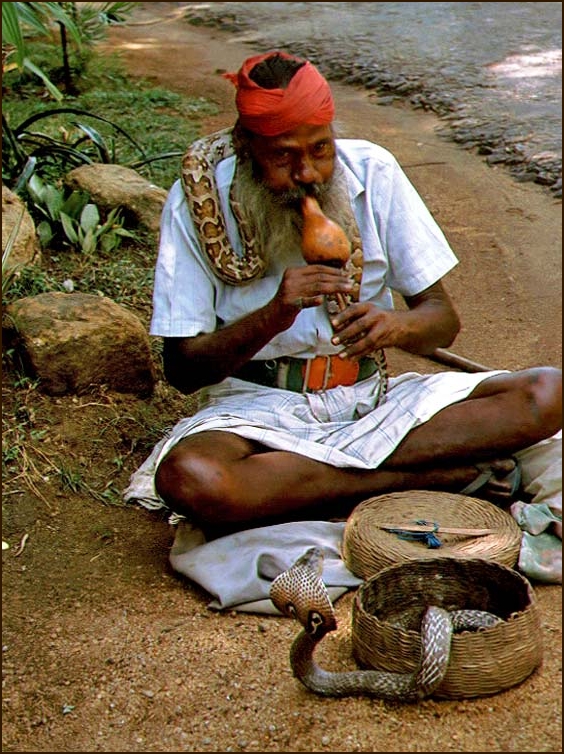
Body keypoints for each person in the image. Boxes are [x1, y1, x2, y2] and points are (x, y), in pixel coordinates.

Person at [125, 50, 562, 550]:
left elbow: (442, 321)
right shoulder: (197, 200)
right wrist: (275, 315)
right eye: (283, 156)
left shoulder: (373, 171)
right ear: (247, 148)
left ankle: (316, 486)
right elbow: (182, 371)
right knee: (193, 478)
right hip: (257, 411)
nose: (308, 173)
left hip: (372, 403)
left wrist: (396, 327)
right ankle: (430, 478)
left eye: (320, 149)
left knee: (547, 393)